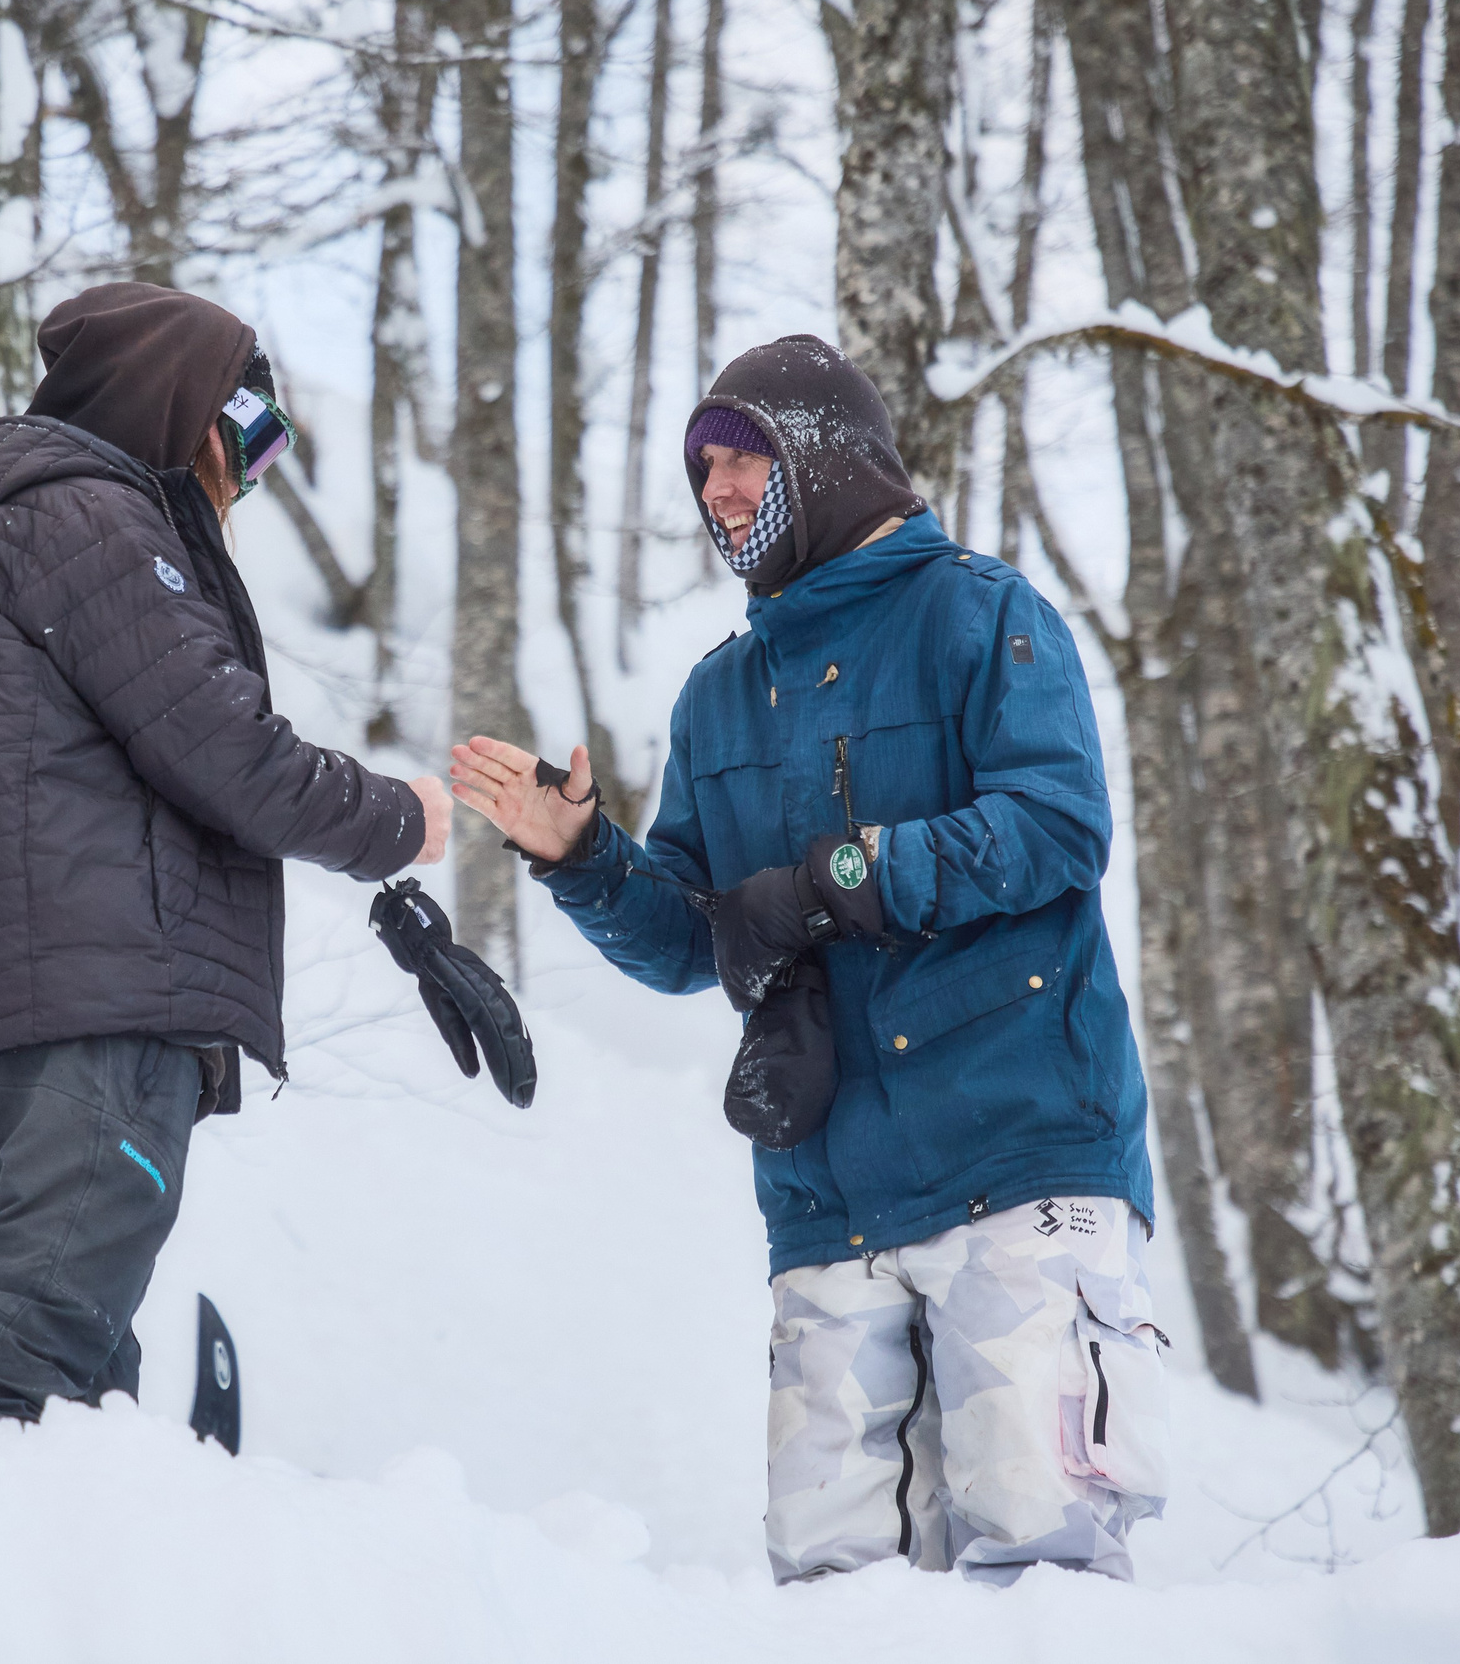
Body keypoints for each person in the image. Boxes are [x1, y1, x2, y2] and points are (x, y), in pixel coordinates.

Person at [449, 334, 1168, 1583]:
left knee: (1039, 1567)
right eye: (702, 469)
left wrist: (849, 874)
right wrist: (577, 853)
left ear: (829, 457)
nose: (718, 490)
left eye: (743, 457)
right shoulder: (717, 696)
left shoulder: (982, 614)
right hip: (826, 1201)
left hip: (1021, 1157)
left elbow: (1058, 828)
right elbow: (692, 938)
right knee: (836, 1594)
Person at [0, 282, 450, 1428]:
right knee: (27, 1356)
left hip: (28, 1017)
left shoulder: (10, 539)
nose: (251, 476)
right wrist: (404, 815)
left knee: (78, 1380)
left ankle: (44, 1584)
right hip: (91, 1012)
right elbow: (230, 752)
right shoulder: (86, 523)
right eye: (253, 436)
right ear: (182, 410)